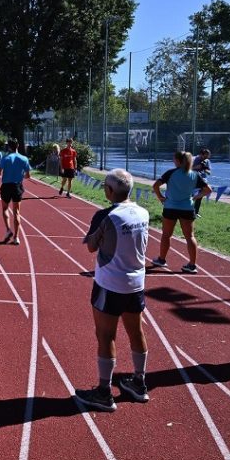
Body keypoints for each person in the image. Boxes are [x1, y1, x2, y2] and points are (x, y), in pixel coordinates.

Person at [74, 169, 151, 412]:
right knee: (136, 332)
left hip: (110, 283)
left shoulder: (105, 216)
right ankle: (139, 382)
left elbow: (91, 248)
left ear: (109, 191)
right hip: (136, 283)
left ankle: (104, 392)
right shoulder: (143, 212)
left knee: (106, 336)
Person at [151, 151, 211, 273]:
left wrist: (160, 197)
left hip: (170, 207)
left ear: (178, 161)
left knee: (166, 235)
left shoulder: (171, 173)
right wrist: (196, 197)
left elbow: (155, 185)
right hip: (187, 208)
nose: (173, 161)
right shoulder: (195, 175)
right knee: (190, 236)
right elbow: (208, 190)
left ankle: (161, 260)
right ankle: (192, 265)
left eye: (174, 159)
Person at [0, 140, 32, 244]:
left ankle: (8, 230)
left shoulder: (5, 158)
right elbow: (28, 175)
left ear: (9, 147)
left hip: (6, 186)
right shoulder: (24, 158)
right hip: (17, 186)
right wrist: (21, 176)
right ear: (18, 146)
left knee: (5, 208)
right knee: (17, 212)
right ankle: (16, 237)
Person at [192, 148, 211, 217]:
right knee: (191, 195)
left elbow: (209, 172)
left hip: (203, 180)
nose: (206, 158)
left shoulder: (206, 161)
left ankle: (196, 212)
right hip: (193, 179)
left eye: (207, 156)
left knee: (200, 196)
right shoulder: (194, 159)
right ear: (200, 154)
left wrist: (205, 169)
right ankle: (186, 210)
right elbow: (188, 169)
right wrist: (197, 167)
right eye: (205, 156)